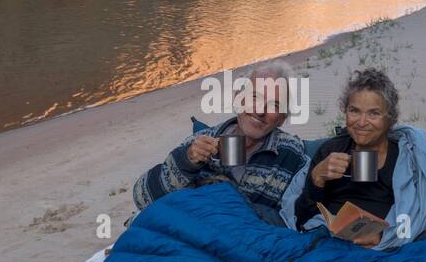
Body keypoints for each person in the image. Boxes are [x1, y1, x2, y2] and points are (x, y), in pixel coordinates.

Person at [281, 67, 426, 248]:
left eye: (373, 113)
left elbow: (417, 218)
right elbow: (300, 219)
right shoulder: (332, 150)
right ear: (345, 112)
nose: (361, 122)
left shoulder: (405, 160)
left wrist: (383, 236)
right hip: (327, 241)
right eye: (354, 111)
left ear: (389, 118)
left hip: (382, 250)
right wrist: (316, 179)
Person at [132, 61, 308, 226]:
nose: (260, 110)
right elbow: (142, 198)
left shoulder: (290, 152)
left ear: (283, 118)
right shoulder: (202, 141)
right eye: (255, 97)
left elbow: (300, 216)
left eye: (274, 105)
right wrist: (186, 163)